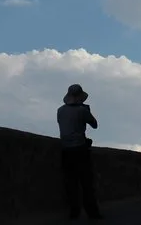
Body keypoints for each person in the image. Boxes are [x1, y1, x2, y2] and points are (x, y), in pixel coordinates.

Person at [57, 84, 103, 220]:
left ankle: (74, 211)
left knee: (71, 182)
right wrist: (87, 111)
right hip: (80, 149)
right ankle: (92, 212)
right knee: (86, 182)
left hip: (66, 149)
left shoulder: (60, 110)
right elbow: (94, 124)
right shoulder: (82, 111)